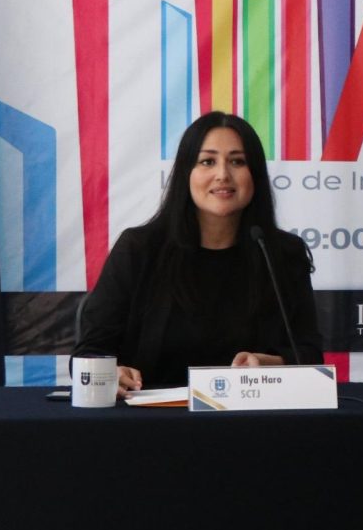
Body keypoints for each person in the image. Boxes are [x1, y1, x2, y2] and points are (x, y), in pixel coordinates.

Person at [75, 111, 322, 391]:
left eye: (237, 161)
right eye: (207, 161)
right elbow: (89, 353)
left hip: (253, 413)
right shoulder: (139, 249)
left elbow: (310, 355)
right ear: (186, 173)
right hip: (151, 413)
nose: (223, 175)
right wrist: (112, 373)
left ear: (255, 175)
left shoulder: (282, 254)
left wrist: (270, 365)